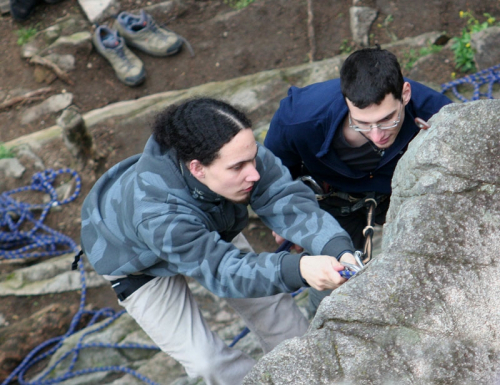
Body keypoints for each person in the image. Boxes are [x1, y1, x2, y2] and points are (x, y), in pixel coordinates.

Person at [80, 97, 360, 385]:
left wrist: (337, 248)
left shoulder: (235, 150)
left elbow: (286, 202)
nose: (253, 172)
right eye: (238, 167)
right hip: (134, 259)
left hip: (205, 223)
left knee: (276, 310)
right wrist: (298, 269)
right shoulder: (157, 214)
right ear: (197, 168)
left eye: (253, 157)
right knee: (207, 362)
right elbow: (223, 271)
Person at [264, 46, 453, 316]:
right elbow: (274, 177)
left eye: (388, 119)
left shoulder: (437, 112)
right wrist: (287, 218)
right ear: (346, 102)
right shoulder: (299, 119)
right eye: (362, 123)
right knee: (333, 285)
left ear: (406, 95)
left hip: (403, 193)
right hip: (334, 199)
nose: (377, 136)